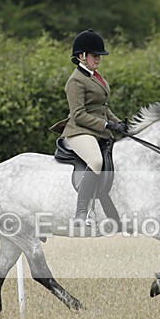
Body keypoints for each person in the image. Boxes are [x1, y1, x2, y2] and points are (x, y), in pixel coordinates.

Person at [56, 29, 127, 224]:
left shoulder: (95, 76)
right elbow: (78, 115)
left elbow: (102, 107)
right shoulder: (75, 81)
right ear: (82, 56)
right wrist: (106, 124)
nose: (98, 59)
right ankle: (81, 212)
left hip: (96, 130)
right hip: (79, 131)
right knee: (96, 161)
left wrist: (118, 123)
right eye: (95, 55)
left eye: (99, 55)